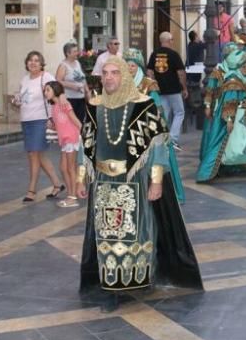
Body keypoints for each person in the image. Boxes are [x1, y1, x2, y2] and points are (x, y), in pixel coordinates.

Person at [77, 57, 203, 297]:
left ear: (124, 75)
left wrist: (156, 181)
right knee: (107, 231)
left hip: (134, 180)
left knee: (137, 229)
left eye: (114, 72)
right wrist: (80, 177)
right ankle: (111, 280)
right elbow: (85, 144)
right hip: (104, 182)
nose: (109, 77)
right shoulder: (95, 105)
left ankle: (139, 277)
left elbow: (158, 145)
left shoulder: (143, 105)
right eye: (105, 73)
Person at [197, 36, 246, 181]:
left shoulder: (241, 73)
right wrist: (208, 105)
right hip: (223, 110)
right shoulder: (220, 72)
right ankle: (221, 165)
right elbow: (211, 90)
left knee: (245, 139)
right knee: (225, 139)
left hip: (244, 112)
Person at [123, 48, 185, 203]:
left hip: (147, 130)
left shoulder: (148, 85)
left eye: (133, 66)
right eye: (127, 65)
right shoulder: (121, 84)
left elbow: (157, 108)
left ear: (139, 67)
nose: (129, 69)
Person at [12, 50, 64, 202]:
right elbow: (22, 98)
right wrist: (16, 100)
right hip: (26, 120)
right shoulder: (24, 79)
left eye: (36, 60)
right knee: (37, 155)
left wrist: (53, 118)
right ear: (26, 63)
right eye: (30, 60)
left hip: (40, 120)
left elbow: (56, 95)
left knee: (34, 155)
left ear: (41, 64)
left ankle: (31, 190)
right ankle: (57, 184)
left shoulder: (46, 77)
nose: (33, 63)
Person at [44, 81, 83, 208]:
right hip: (65, 140)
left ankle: (72, 197)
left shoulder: (64, 103)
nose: (46, 93)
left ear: (55, 90)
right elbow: (62, 125)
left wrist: (84, 132)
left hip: (71, 138)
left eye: (48, 90)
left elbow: (74, 119)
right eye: (45, 90)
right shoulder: (54, 107)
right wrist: (53, 127)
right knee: (63, 167)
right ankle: (70, 194)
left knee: (70, 168)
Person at [146, 32, 187, 148]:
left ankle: (163, 139)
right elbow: (181, 73)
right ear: (169, 40)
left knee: (165, 114)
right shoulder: (173, 54)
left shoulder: (154, 54)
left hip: (160, 90)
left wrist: (154, 83)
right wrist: (184, 88)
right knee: (179, 112)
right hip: (174, 89)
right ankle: (173, 139)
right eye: (172, 40)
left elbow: (149, 72)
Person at [56, 41, 88, 126]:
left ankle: (79, 139)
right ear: (67, 53)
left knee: (81, 122)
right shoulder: (63, 65)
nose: (77, 53)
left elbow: (82, 78)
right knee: (72, 123)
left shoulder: (77, 63)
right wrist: (71, 86)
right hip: (70, 99)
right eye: (74, 51)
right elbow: (58, 81)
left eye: (77, 51)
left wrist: (87, 91)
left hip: (80, 98)